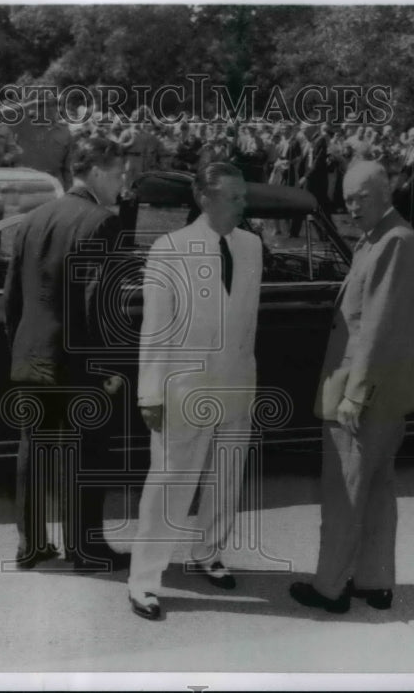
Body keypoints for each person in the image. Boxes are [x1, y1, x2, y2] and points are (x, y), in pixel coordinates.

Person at [128, 161, 262, 621]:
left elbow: (249, 320)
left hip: (236, 383)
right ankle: (144, 581)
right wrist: (150, 394)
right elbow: (155, 328)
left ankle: (209, 552)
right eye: (233, 198)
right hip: (184, 388)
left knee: (226, 477)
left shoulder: (251, 246)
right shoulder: (169, 249)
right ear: (204, 198)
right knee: (169, 484)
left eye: (243, 197)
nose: (242, 206)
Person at [290, 160, 414, 614]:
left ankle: (330, 588)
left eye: (361, 197)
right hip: (387, 392)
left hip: (363, 391)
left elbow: (377, 327)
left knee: (344, 492)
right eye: (346, 199)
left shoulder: (392, 241)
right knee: (377, 489)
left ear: (386, 192)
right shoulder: (381, 238)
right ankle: (374, 580)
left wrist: (354, 394)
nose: (352, 207)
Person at [4, 136, 131, 572]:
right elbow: (101, 304)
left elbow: (12, 297)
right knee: (86, 454)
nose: (122, 184)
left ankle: (31, 545)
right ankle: (85, 549)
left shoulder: (32, 219)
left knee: (33, 450)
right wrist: (107, 367)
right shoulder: (103, 223)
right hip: (77, 360)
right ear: (94, 172)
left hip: (31, 351)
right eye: (118, 174)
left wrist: (20, 347)